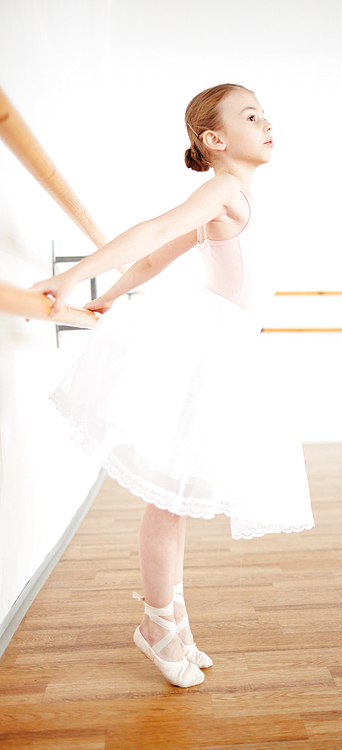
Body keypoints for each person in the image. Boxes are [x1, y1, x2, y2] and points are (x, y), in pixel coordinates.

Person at [31, 83, 315, 688]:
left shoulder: (236, 198)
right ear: (215, 140)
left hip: (229, 349)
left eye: (265, 113)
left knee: (177, 497)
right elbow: (151, 235)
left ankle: (172, 619)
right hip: (206, 347)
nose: (267, 122)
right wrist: (78, 279)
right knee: (170, 496)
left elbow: (158, 260)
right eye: (250, 115)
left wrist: (106, 295)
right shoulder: (223, 188)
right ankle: (159, 623)